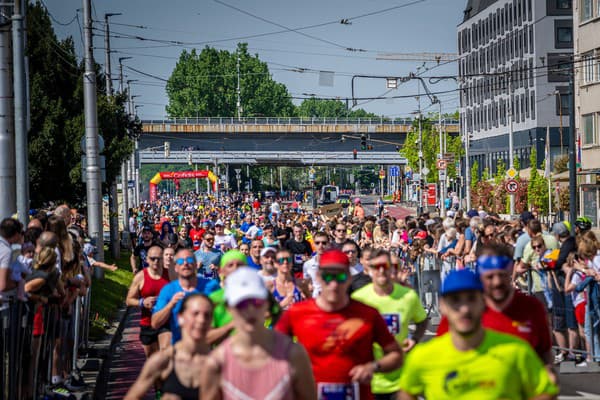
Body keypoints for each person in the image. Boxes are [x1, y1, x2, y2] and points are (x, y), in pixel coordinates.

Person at [398, 269, 559, 400]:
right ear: (443, 306)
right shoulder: (423, 356)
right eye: (455, 301)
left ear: (484, 303)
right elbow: (406, 393)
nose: (464, 309)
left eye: (471, 299)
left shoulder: (516, 350)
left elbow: (546, 391)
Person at [276, 249, 403, 400]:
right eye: (328, 276)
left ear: (349, 278)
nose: (334, 284)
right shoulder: (297, 313)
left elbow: (396, 355)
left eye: (341, 276)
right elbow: (270, 354)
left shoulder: (368, 314)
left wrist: (373, 367)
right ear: (318, 277)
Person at [436, 243, 555, 377]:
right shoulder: (463, 310)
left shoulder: (532, 307)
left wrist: (548, 373)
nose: (497, 282)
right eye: (490, 277)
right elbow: (441, 354)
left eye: (502, 275)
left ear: (510, 272)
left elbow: (544, 352)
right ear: (480, 276)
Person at [202, 267, 316, 399]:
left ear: (266, 305)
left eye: (256, 302)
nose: (250, 310)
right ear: (229, 308)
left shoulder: (294, 354)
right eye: (241, 304)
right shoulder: (216, 363)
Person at [352, 249, 428, 399]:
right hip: (369, 380)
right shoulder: (358, 299)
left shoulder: (408, 296)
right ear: (368, 270)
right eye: (376, 267)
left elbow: (423, 320)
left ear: (391, 268)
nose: (381, 271)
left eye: (385, 266)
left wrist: (415, 339)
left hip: (401, 380)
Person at [125, 294, 213, 400]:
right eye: (195, 314)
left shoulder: (220, 361)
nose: (201, 320)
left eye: (207, 315)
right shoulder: (162, 361)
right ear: (180, 318)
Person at [152, 248, 219, 343]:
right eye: (180, 261)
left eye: (190, 260)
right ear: (175, 267)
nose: (185, 263)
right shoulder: (168, 290)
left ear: (196, 265)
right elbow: (155, 323)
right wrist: (170, 305)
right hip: (180, 350)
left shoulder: (212, 286)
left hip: (207, 349)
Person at [126, 245, 171, 357]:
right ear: (146, 259)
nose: (156, 261)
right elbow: (129, 300)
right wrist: (142, 302)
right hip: (148, 322)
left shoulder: (170, 274)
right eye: (152, 258)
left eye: (159, 258)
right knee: (152, 359)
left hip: (166, 322)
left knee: (165, 352)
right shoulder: (141, 277)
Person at [208, 250, 247, 345]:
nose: (235, 269)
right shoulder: (214, 298)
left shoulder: (257, 295)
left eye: (240, 265)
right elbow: (206, 338)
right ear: (221, 271)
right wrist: (231, 326)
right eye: (230, 265)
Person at [303, 231, 330, 298]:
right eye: (317, 243)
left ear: (328, 244)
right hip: (315, 300)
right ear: (314, 244)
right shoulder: (307, 264)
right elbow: (307, 283)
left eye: (324, 243)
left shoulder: (336, 263)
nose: (320, 245)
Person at [0, 218, 23, 293]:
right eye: (21, 233)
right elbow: (3, 285)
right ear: (16, 234)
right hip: (4, 301)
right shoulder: (6, 251)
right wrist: (18, 283)